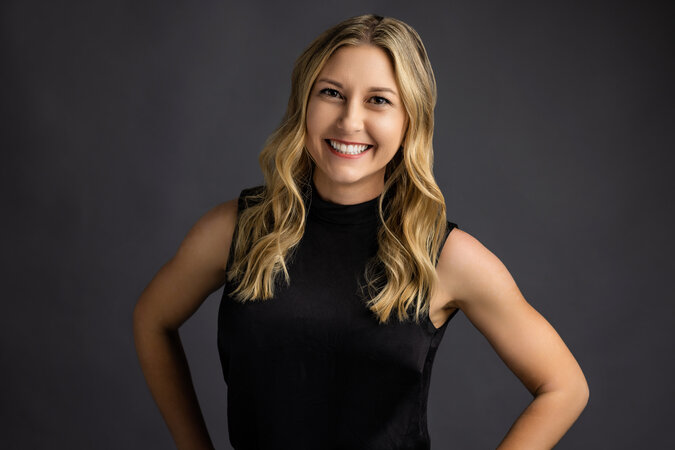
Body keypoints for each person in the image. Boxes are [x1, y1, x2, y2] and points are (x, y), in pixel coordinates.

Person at [133, 14, 589, 450]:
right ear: (304, 103)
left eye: (379, 100)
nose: (350, 121)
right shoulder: (236, 228)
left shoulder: (445, 256)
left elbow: (564, 387)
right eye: (331, 92)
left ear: (410, 120)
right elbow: (152, 320)